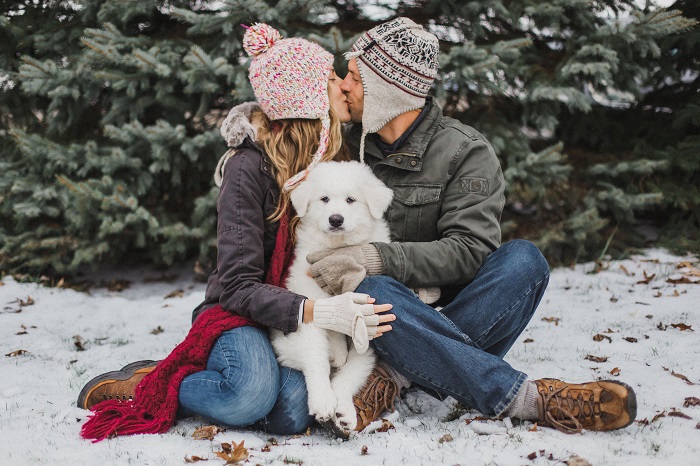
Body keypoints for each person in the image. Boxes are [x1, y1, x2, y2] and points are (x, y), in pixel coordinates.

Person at [306, 17, 637, 434]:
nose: (343, 85)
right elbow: (277, 144)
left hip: (442, 308)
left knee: (524, 261)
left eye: (353, 77)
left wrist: (375, 257)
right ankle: (533, 399)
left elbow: (470, 252)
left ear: (386, 91)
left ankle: (392, 377)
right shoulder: (339, 144)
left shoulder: (465, 151)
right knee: (371, 290)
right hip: (369, 321)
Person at [77, 23, 395, 441]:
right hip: (239, 312)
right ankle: (151, 383)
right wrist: (317, 311)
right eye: (332, 79)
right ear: (309, 100)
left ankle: (242, 383)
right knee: (248, 396)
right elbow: (236, 286)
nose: (342, 86)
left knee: (293, 413)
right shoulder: (247, 169)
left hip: (294, 322)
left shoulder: (332, 160)